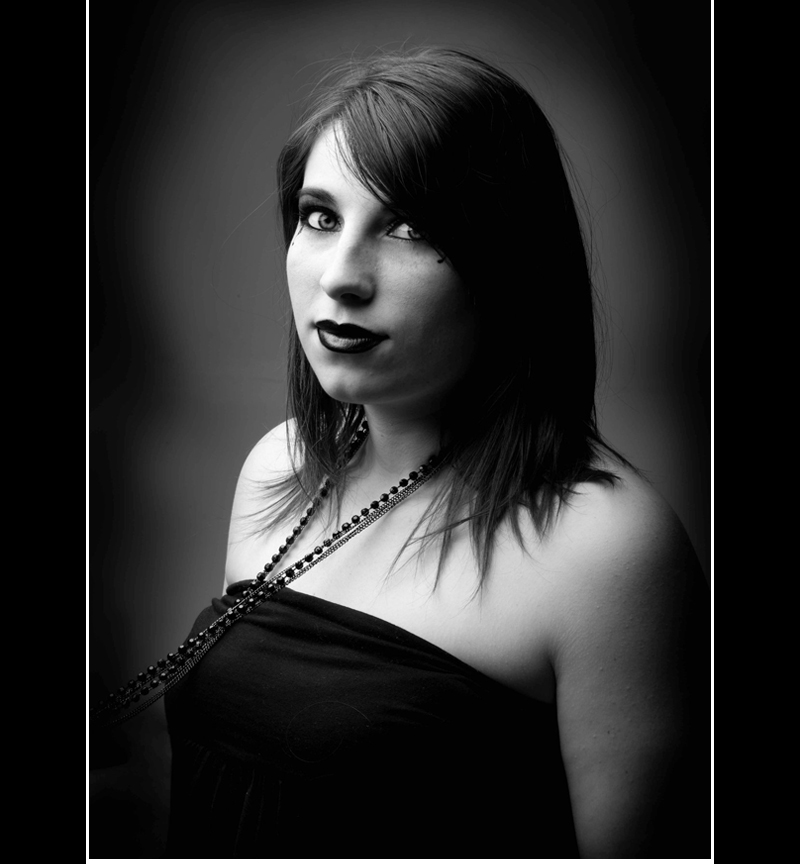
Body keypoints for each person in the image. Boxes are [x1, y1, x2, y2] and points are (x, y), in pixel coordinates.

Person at [97, 47, 710, 858]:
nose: (342, 278)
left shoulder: (607, 550)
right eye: (320, 217)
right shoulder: (279, 469)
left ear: (508, 262)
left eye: (411, 228)